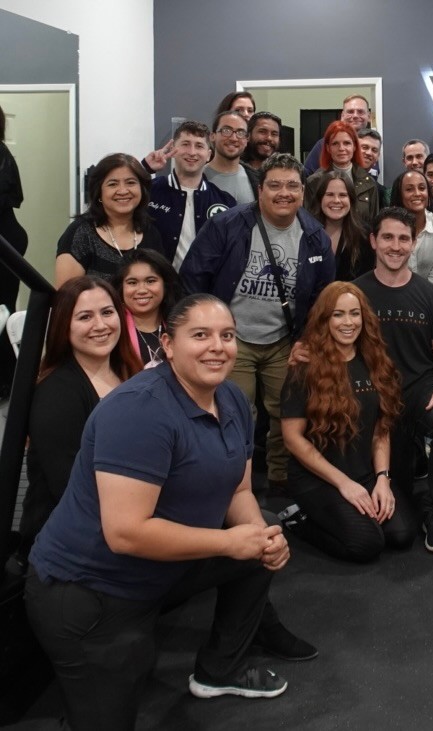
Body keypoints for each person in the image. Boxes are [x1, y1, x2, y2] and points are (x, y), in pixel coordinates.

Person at [25, 295, 310, 728]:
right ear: (168, 344)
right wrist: (229, 542)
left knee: (261, 533)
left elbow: (237, 488)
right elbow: (125, 533)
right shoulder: (140, 410)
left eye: (227, 336)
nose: (217, 347)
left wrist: (259, 538)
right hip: (90, 589)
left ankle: (220, 670)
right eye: (200, 335)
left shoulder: (231, 398)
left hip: (159, 570)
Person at [181, 152, 336, 493]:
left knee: (287, 412)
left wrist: (306, 340)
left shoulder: (315, 236)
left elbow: (323, 298)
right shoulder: (227, 226)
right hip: (231, 339)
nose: (284, 193)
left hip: (285, 340)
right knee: (235, 412)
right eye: (275, 186)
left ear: (303, 191)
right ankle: (236, 483)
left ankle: (280, 479)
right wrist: (205, 334)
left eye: (292, 186)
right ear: (260, 190)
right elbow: (193, 278)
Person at [351, 207, 433, 552]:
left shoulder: (432, 295)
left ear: (413, 243)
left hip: (419, 389)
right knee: (396, 501)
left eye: (404, 238)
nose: (396, 246)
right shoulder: (353, 294)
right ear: (373, 241)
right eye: (387, 237)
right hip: (371, 392)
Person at [279, 282, 412, 562]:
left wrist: (383, 479)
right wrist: (343, 484)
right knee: (366, 544)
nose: (348, 322)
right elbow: (292, 438)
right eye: (337, 314)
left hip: (363, 472)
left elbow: (381, 430)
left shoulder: (375, 361)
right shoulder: (305, 365)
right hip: (318, 478)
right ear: (324, 319)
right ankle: (300, 520)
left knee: (401, 535)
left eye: (354, 313)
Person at [18, 277, 143, 563]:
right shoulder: (57, 393)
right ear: (64, 325)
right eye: (85, 317)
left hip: (128, 514)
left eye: (107, 312)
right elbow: (72, 489)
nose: (100, 325)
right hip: (73, 539)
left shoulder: (129, 372)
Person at [55, 153, 164, 287]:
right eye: (113, 184)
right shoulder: (81, 234)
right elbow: (66, 296)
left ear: (142, 189)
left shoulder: (151, 233)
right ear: (99, 192)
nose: (123, 191)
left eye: (130, 183)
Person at [146, 120, 237, 269]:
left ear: (208, 155)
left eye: (199, 146)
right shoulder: (149, 192)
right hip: (156, 281)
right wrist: (145, 168)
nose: (192, 152)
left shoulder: (225, 202)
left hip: (205, 284)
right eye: (185, 144)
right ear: (173, 149)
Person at [111, 248, 183, 366]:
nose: (142, 290)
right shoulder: (112, 329)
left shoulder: (181, 325)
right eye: (132, 283)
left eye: (150, 281)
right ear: (121, 288)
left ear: (165, 285)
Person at [304, 121, 380, 230]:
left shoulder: (369, 183)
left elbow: (373, 225)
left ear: (354, 146)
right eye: (335, 143)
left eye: (347, 143)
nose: (341, 148)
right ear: (328, 148)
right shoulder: (314, 182)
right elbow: (308, 224)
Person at [0, 104, 27, 395]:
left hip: (5, 242)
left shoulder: (1, 154)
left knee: (2, 310)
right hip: (8, 237)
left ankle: (7, 380)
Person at [390, 169, 433, 285]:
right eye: (409, 189)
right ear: (399, 195)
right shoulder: (387, 228)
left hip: (431, 293)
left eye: (422, 188)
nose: (417, 193)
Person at [305, 170, 371, 281]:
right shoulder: (305, 232)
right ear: (320, 199)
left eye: (343, 195)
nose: (336, 200)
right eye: (330, 194)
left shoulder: (365, 235)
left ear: (351, 200)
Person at [303, 94, 373, 177]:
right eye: (350, 111)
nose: (355, 115)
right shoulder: (323, 145)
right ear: (342, 116)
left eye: (360, 112)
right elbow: (306, 177)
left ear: (368, 116)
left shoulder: (374, 147)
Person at [203, 110, 258, 206]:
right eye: (226, 131)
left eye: (240, 132)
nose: (233, 138)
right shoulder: (197, 177)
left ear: (246, 140)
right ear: (212, 136)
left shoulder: (257, 180)